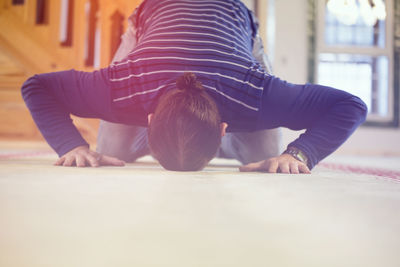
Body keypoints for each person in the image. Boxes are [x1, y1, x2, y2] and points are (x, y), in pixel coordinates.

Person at [21, 0, 367, 173]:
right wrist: (72, 146)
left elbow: (350, 105)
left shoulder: (257, 94)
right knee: (114, 154)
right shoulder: (122, 85)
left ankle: (216, 146)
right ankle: (193, 144)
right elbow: (37, 87)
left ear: (222, 129)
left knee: (269, 162)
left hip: (234, 22)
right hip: (153, 17)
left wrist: (298, 154)